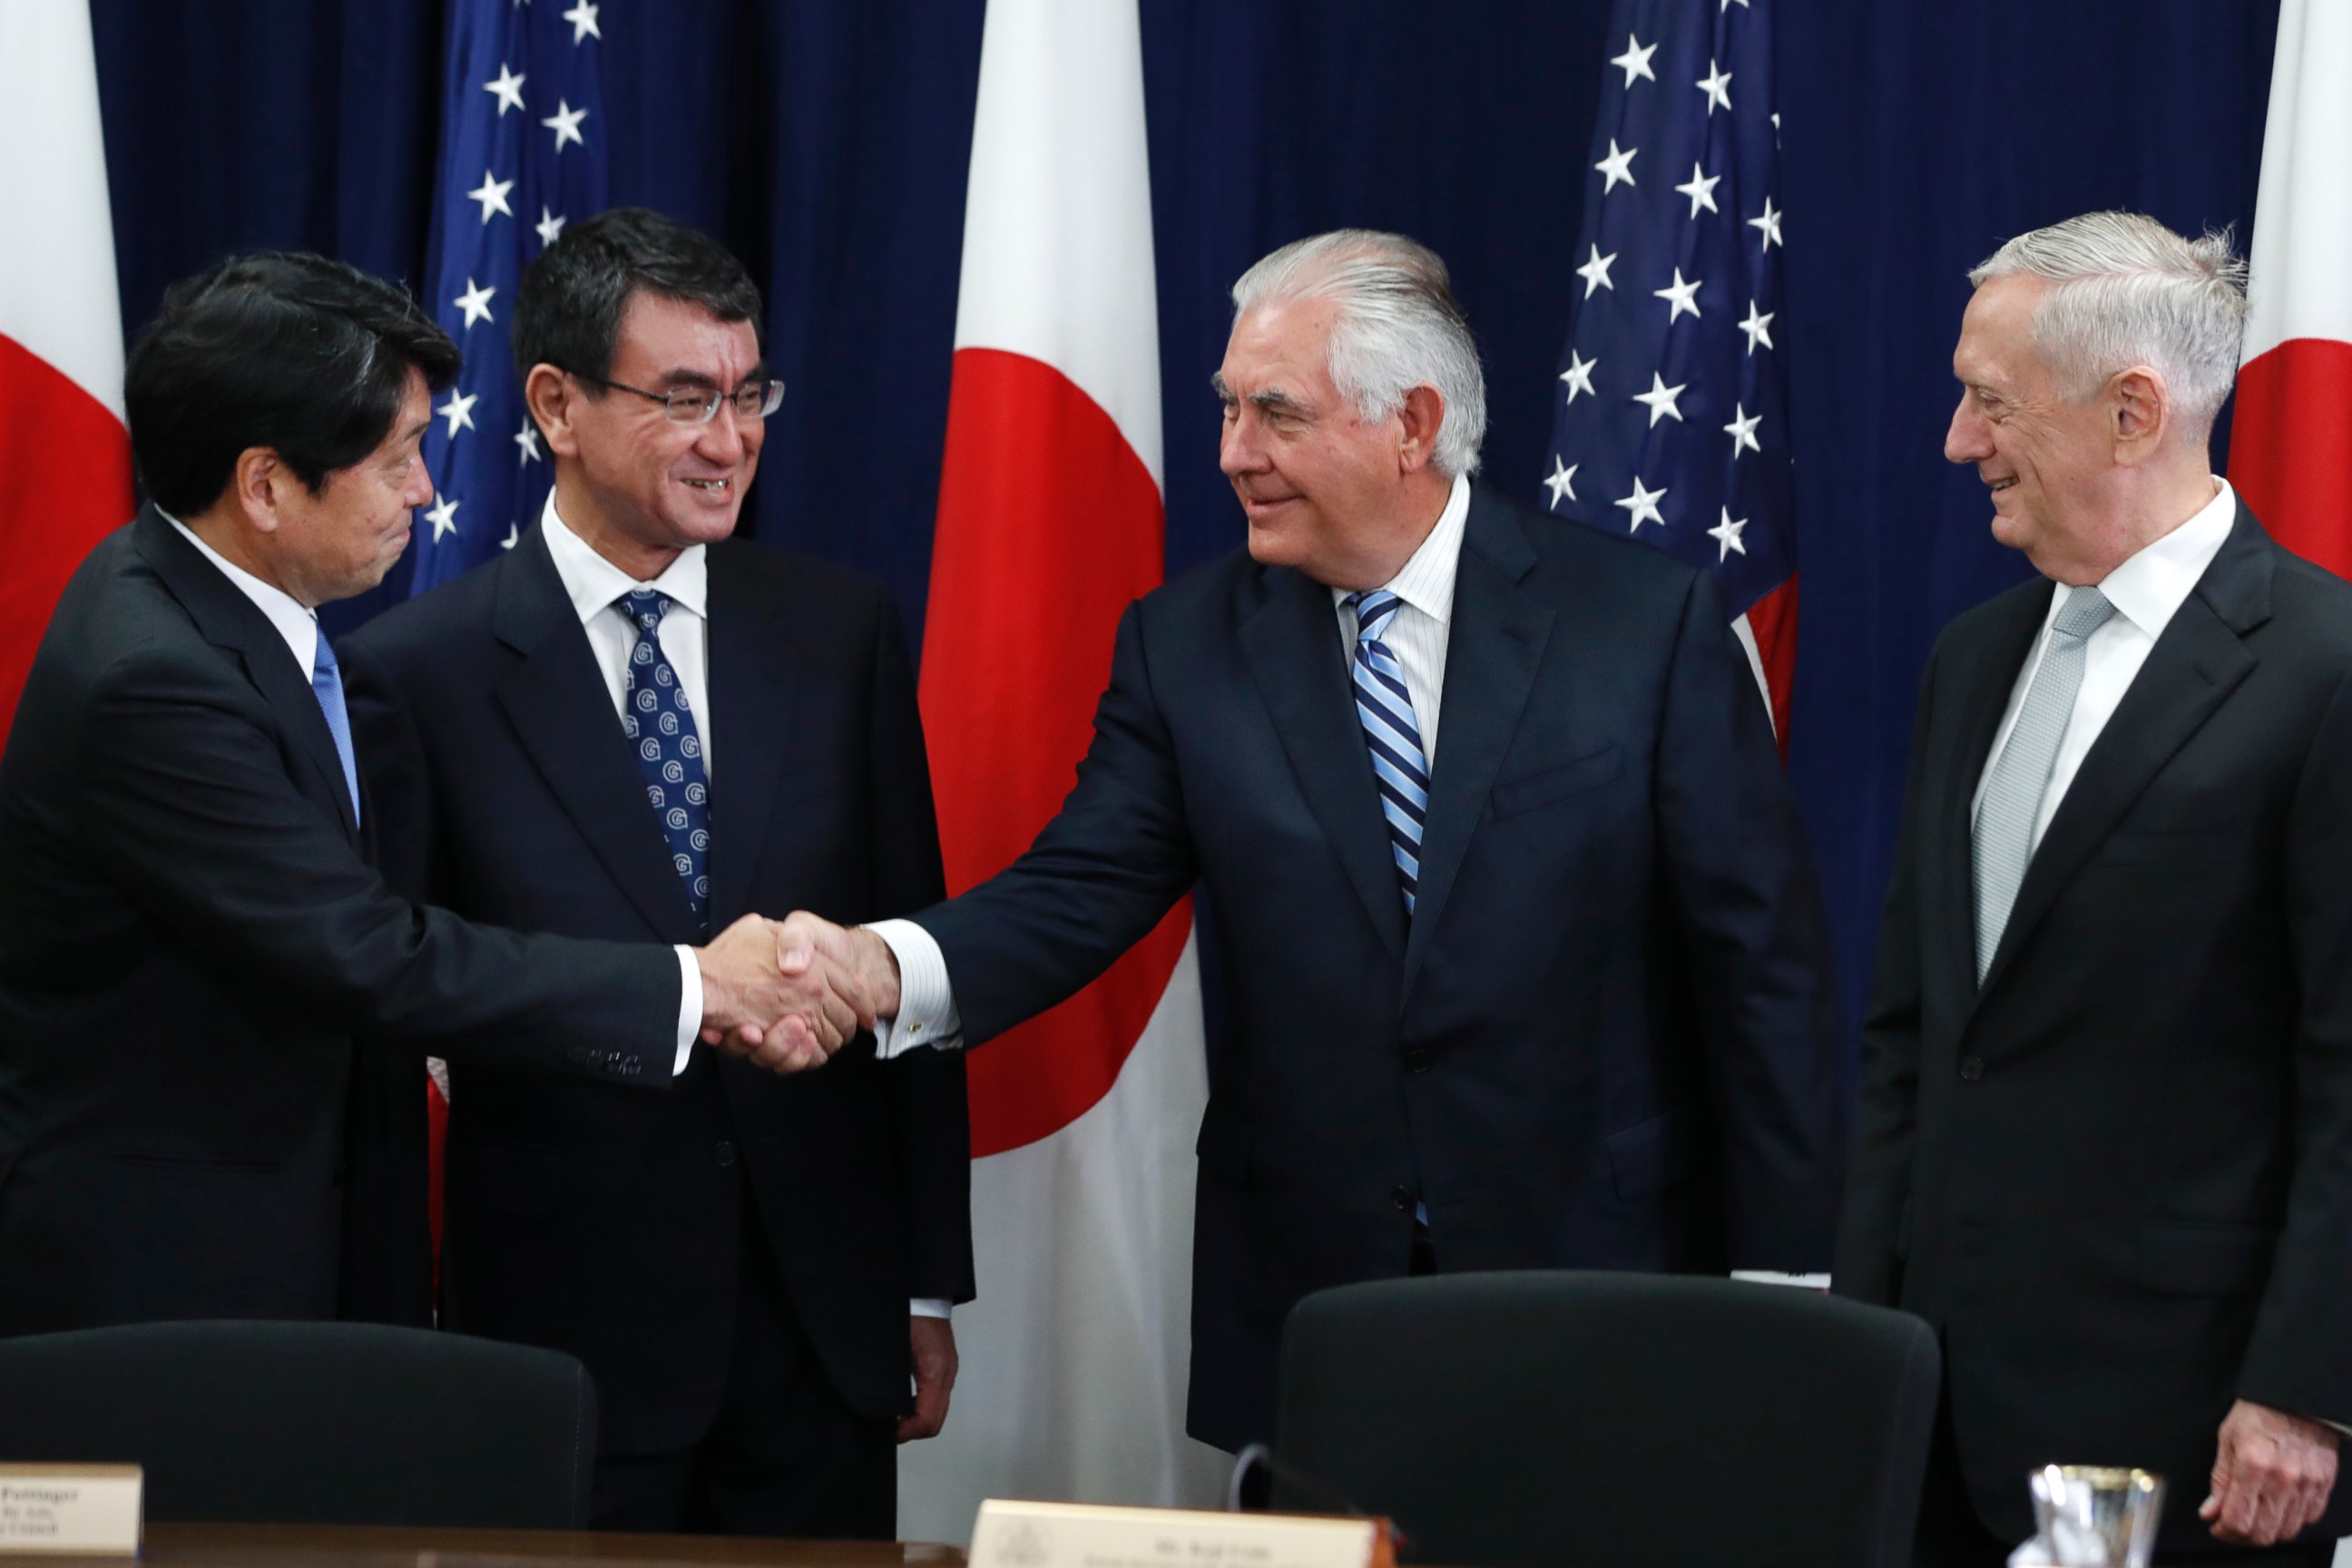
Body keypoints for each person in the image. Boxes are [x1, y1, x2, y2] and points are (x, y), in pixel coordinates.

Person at [779, 228, 1843, 1452]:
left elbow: (1761, 970)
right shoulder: (1186, 648)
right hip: (1317, 1296)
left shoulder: (1643, 627)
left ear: (1414, 423)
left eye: (1276, 414)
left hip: (1597, 1271)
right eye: (1230, 410)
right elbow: (1074, 895)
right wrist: (876, 970)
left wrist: (1787, 1282)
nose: (1235, 455)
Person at [0, 251, 849, 1342]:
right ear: (265, 486)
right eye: (398, 456)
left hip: (289, 1255)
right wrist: (700, 989)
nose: (428, 490)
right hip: (165, 1295)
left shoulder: (219, 615)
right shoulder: (154, 680)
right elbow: (374, 955)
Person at [337, 210, 972, 1539]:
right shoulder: (418, 672)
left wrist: (923, 1285)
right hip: (562, 1336)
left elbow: (910, 948)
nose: (729, 440)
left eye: (749, 397)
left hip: (820, 1327)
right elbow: (401, 1002)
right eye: (684, 399)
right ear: (557, 406)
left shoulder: (838, 631)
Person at [1837, 211, 2352, 1562]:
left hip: (2186, 1429)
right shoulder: (1973, 657)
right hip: (1924, 1409)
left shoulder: (2325, 668)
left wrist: (2306, 1392)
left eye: (1990, 401)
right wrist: (1855, 1339)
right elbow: (1915, 1035)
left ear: (2134, 413)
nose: (1958, 440)